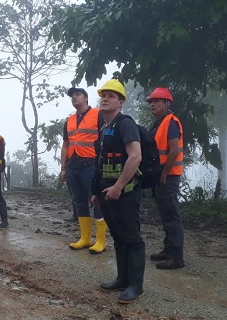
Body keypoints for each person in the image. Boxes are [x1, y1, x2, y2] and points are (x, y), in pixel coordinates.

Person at [92, 79, 146, 304]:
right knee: (118, 236)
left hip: (126, 191)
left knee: (132, 238)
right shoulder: (105, 127)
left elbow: (135, 157)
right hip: (108, 192)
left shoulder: (126, 124)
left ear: (121, 102)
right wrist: (97, 192)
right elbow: (101, 162)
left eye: (111, 96)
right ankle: (122, 279)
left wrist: (119, 186)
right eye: (103, 95)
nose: (105, 98)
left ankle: (136, 285)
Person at [59, 88, 107, 254]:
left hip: (91, 165)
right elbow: (66, 145)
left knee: (96, 200)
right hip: (73, 166)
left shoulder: (98, 114)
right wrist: (63, 167)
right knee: (79, 202)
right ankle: (85, 238)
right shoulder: (69, 120)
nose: (74, 97)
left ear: (86, 98)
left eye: (77, 95)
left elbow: (104, 139)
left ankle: (100, 240)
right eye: (72, 96)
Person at [147, 87, 185, 270]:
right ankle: (168, 250)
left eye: (156, 101)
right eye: (151, 102)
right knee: (165, 213)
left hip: (168, 176)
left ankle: (176, 257)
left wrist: (163, 174)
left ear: (166, 104)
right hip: (160, 176)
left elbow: (174, 150)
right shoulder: (159, 122)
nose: (152, 104)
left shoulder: (170, 122)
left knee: (171, 215)